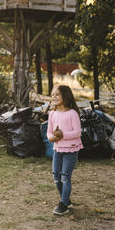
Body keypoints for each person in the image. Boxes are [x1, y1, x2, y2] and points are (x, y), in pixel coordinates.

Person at [47, 85, 83, 215]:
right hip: (58, 149)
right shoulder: (52, 114)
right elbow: (49, 132)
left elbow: (78, 132)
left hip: (71, 150)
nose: (54, 97)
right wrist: (52, 138)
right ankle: (66, 200)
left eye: (57, 94)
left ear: (65, 96)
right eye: (53, 95)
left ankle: (63, 204)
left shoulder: (72, 113)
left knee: (65, 177)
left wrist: (63, 135)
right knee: (56, 176)